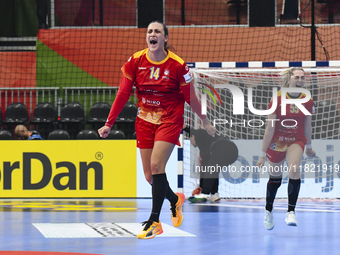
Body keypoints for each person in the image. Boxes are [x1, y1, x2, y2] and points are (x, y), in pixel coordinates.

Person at [98, 21, 215, 239]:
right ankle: (174, 200)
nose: (153, 34)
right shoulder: (136, 61)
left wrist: (205, 120)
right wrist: (108, 123)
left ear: (165, 38)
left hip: (170, 119)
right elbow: (123, 94)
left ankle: (154, 221)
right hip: (144, 120)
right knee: (150, 176)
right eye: (149, 31)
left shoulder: (178, 65)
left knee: (156, 164)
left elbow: (190, 97)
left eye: (157, 32)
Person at [256, 67, 316, 230]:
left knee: (294, 169)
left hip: (296, 139)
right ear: (289, 79)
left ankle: (291, 211)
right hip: (278, 140)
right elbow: (269, 128)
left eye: (302, 78)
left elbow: (308, 126)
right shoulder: (277, 99)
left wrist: (309, 147)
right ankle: (268, 210)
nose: (300, 80)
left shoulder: (308, 100)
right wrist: (262, 154)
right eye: (297, 77)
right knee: (275, 178)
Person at [184, 126, 238, 203]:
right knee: (213, 170)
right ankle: (214, 194)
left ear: (193, 136)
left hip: (223, 147)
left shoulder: (200, 134)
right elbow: (204, 170)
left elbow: (194, 131)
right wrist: (201, 186)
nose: (192, 144)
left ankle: (204, 194)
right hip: (233, 153)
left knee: (211, 169)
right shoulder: (206, 149)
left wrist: (185, 128)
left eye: (190, 140)